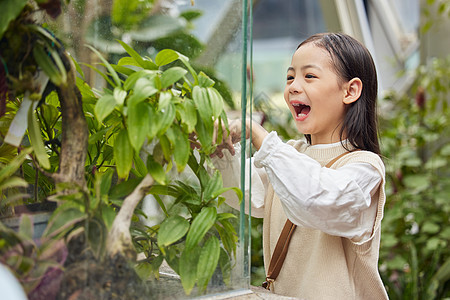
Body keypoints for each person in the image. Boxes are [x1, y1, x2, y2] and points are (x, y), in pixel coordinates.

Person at [211, 33, 388, 299]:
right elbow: (246, 195)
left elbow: (314, 201)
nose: (293, 86)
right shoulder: (292, 154)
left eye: (309, 76)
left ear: (350, 91)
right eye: (290, 76)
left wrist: (259, 136)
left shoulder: (365, 168)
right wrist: (220, 151)